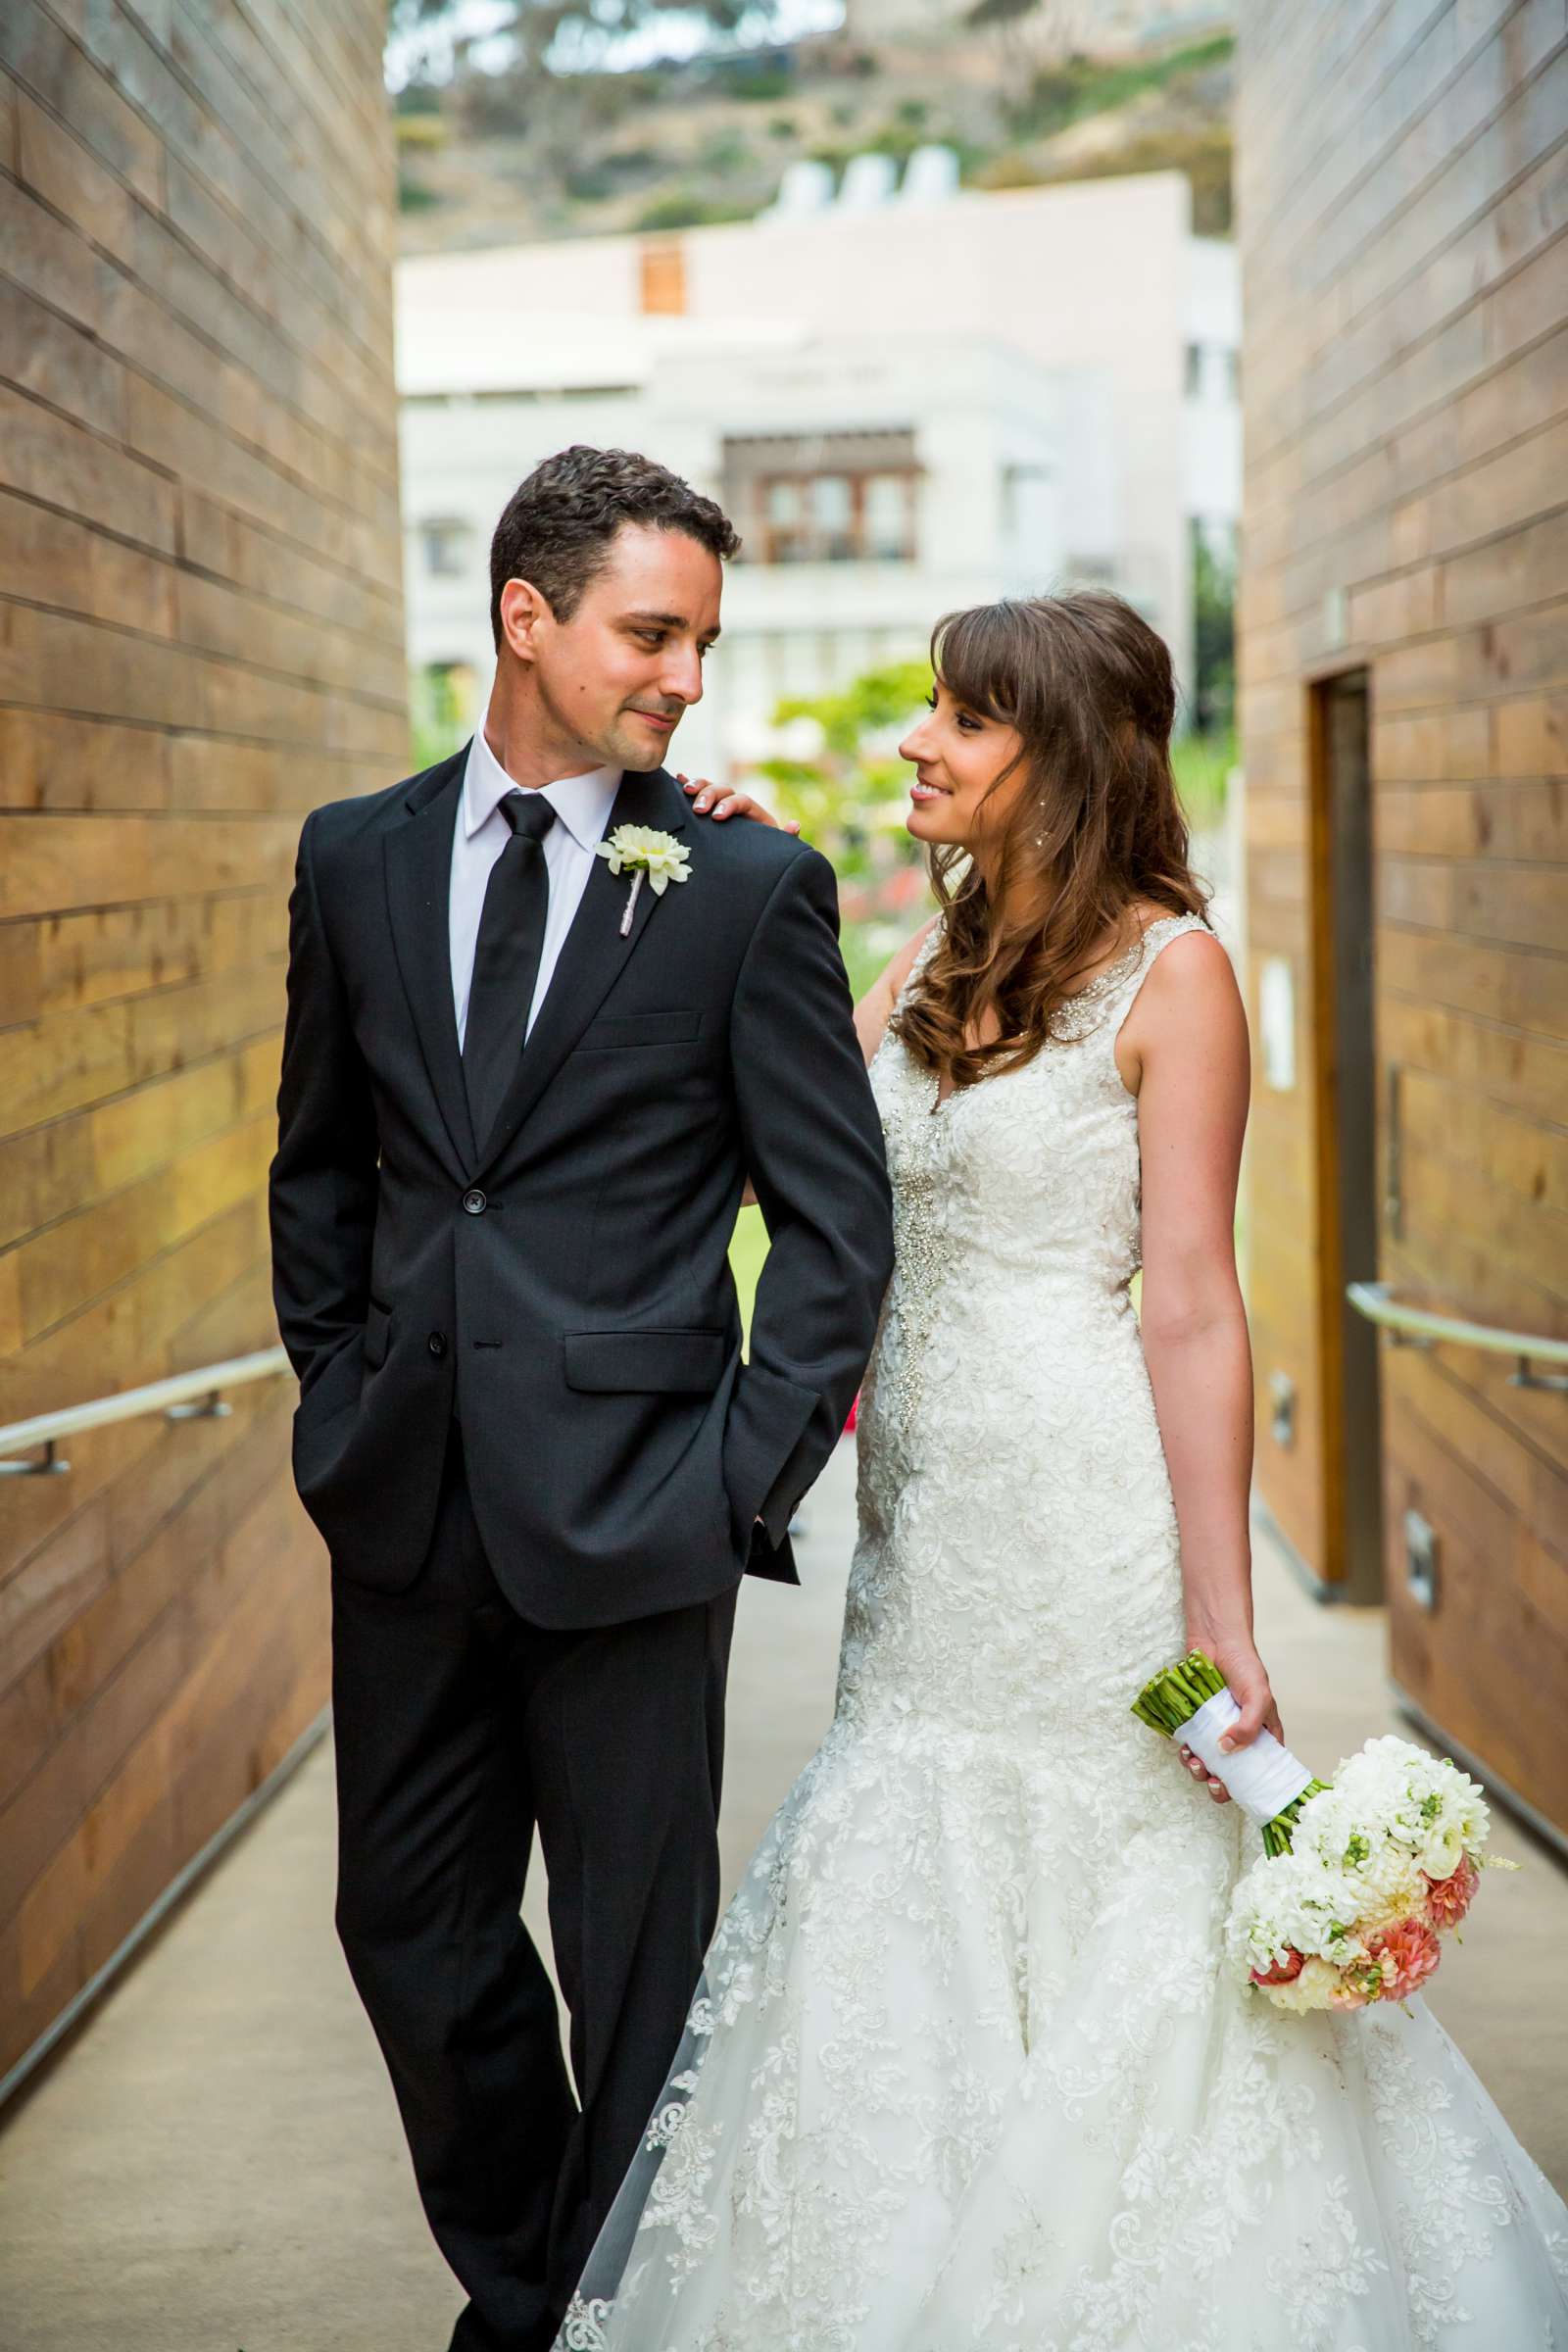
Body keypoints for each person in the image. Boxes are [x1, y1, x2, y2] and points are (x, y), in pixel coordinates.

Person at [558, 591, 1568, 2350]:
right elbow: (776, 1162)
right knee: (909, 1859)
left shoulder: (1175, 972)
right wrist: (747, 889)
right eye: (928, 708)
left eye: (962, 718)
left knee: (1118, 1881)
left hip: (1082, 1507)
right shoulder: (927, 956)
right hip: (922, 1519)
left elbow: (1189, 1303)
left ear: (1068, 758)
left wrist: (1219, 1608)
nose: (917, 742)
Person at [268, 445, 894, 2352]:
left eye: (701, 641)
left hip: (639, 1516)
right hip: (401, 1504)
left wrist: (733, 1488)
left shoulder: (742, 881)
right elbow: (323, 1172)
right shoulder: (354, 859)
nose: (684, 677)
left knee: (634, 1964)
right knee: (409, 1932)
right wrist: (342, 1393)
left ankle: (597, 2321)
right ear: (521, 617)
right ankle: (548, 2283)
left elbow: (834, 1230)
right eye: (651, 631)